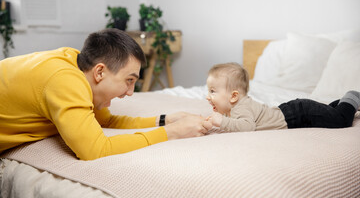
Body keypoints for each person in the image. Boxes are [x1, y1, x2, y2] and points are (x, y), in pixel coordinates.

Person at [0, 28, 212, 160]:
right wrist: (172, 133)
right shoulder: (64, 80)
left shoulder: (77, 64)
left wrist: (165, 120)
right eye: (129, 80)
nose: (130, 93)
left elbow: (106, 121)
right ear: (100, 71)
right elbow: (94, 150)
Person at [206, 62, 359, 132]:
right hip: (293, 112)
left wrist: (222, 121)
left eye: (213, 91)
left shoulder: (242, 107)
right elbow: (235, 123)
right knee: (328, 114)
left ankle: (352, 97)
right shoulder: (236, 107)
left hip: (300, 114)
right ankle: (341, 103)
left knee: (340, 120)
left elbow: (247, 127)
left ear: (233, 96)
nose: (208, 96)